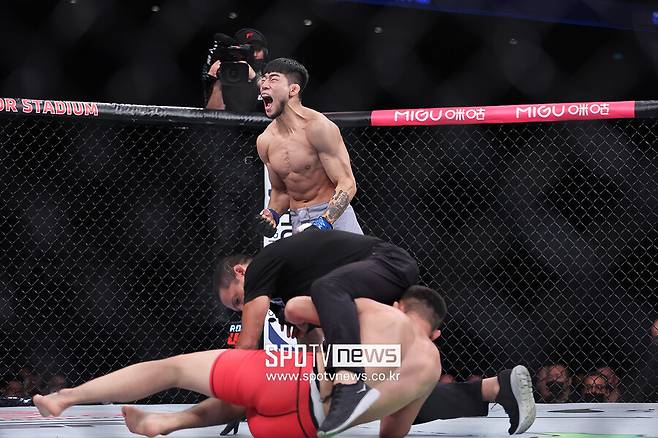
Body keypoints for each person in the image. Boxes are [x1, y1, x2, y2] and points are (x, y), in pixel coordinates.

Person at [218, 228, 536, 434]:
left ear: (240, 271)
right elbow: (318, 349)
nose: (242, 307)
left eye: (237, 300)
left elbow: (247, 344)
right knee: (393, 392)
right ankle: (494, 389)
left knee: (324, 289)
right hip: (374, 297)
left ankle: (349, 379)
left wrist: (232, 396)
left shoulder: (262, 266)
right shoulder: (290, 292)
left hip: (386, 264)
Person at [33, 287, 448, 438]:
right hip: (303, 429)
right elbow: (393, 431)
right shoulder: (430, 368)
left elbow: (297, 308)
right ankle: (167, 423)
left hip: (292, 379)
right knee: (244, 404)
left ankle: (65, 398)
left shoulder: (382, 312)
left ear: (400, 304)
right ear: (435, 333)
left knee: (173, 368)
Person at [253, 58, 363, 237]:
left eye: (273, 79)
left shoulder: (318, 127)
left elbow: (347, 183)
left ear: (293, 90)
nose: (264, 84)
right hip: (298, 221)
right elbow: (281, 192)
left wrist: (324, 221)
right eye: (263, 79)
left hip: (334, 219)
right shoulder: (265, 141)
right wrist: (272, 215)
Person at [203, 28, 268, 112]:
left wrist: (255, 78)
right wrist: (218, 81)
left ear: (265, 52)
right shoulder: (226, 72)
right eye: (249, 51)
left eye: (258, 49)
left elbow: (277, 106)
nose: (254, 54)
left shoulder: (271, 72)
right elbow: (214, 115)